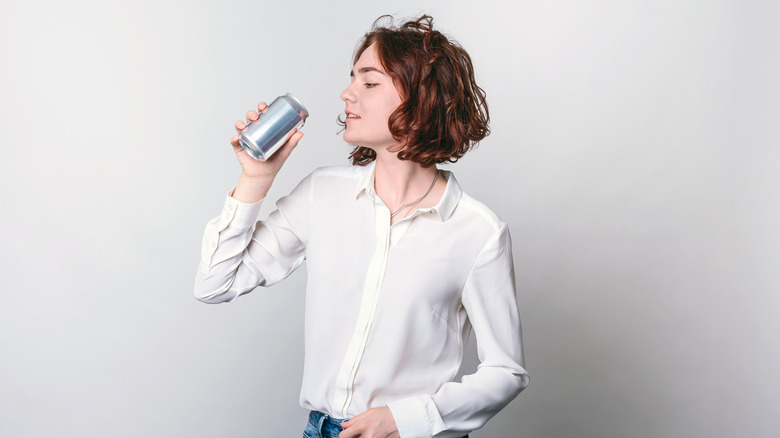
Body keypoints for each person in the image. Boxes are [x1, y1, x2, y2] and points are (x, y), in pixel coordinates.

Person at [194, 15, 528, 438]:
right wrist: (255, 178)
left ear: (421, 98)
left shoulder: (479, 233)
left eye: (369, 82)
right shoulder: (322, 193)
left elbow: (506, 371)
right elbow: (214, 284)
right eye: (352, 78)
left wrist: (405, 420)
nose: (347, 93)